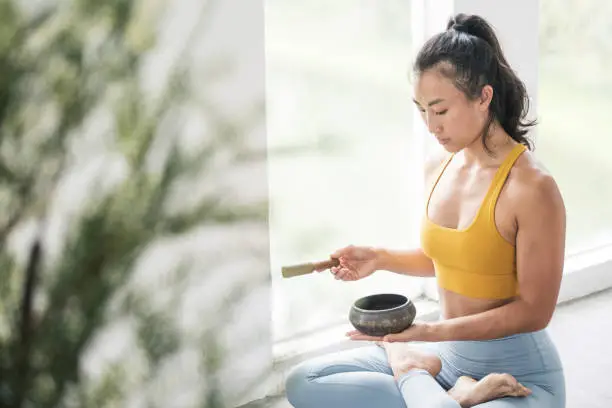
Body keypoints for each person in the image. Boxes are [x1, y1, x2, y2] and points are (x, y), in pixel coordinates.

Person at [284, 13, 566, 408]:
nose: (431, 126)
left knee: (408, 377)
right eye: (421, 111)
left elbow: (535, 312)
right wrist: (378, 258)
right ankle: (448, 393)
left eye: (441, 110)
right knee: (304, 381)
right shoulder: (440, 166)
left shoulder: (533, 189)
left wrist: (424, 336)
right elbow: (452, 260)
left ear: (483, 97)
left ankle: (413, 374)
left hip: (518, 375)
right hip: (443, 357)